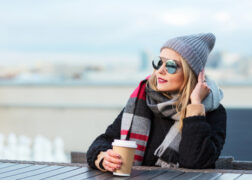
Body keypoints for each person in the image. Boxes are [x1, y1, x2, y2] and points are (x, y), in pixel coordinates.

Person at [86, 33, 226, 172]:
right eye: (159, 62)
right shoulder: (142, 101)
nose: (160, 71)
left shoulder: (212, 112)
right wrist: (104, 158)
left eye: (171, 66)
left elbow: (195, 162)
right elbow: (104, 140)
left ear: (191, 74)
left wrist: (195, 106)